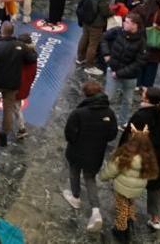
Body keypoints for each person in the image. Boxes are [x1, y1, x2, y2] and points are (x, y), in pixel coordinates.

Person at [62, 81, 118, 233]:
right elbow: (112, 134)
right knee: (90, 178)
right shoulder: (109, 112)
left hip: (76, 151)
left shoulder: (78, 113)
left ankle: (75, 197)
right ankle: (96, 211)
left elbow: (69, 134)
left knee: (74, 172)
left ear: (85, 94)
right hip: (96, 153)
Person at [119, 87, 160, 232]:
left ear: (146, 99)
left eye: (144, 94)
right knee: (156, 189)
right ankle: (155, 219)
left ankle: (128, 215)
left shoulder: (141, 116)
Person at [99, 128, 160, 243]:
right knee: (131, 203)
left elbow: (112, 170)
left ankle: (120, 230)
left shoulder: (125, 156)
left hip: (122, 188)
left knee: (121, 207)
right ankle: (130, 218)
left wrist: (103, 177)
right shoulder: (148, 157)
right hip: (136, 190)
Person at [0, 23, 36, 145]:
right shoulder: (21, 46)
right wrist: (32, 49)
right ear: (13, 32)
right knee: (8, 110)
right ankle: (4, 134)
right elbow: (32, 58)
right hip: (12, 84)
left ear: (2, 31)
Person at [99, 12, 147, 122]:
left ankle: (123, 121)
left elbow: (139, 62)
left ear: (135, 25)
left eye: (127, 22)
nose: (124, 23)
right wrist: (106, 54)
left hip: (129, 76)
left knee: (127, 101)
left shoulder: (142, 42)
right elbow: (104, 38)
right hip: (113, 71)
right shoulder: (118, 31)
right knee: (107, 98)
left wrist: (119, 73)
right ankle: (104, 119)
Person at [77, 0, 113, 75]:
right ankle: (89, 66)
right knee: (93, 44)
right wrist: (112, 12)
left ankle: (80, 58)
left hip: (85, 19)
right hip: (96, 23)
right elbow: (104, 12)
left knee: (84, 37)